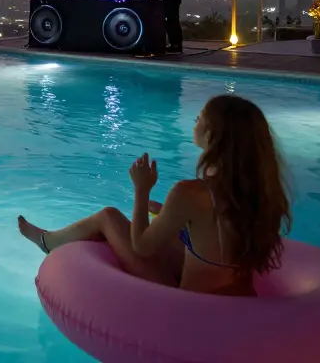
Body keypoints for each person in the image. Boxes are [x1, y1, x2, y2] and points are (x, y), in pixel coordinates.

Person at [17, 94, 292, 296]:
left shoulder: (190, 192)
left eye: (200, 119)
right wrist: (169, 213)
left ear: (212, 136)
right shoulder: (261, 191)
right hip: (237, 294)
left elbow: (142, 246)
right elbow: (215, 231)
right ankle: (51, 239)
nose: (194, 122)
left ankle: (47, 241)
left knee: (108, 217)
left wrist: (141, 189)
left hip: (191, 302)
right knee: (165, 223)